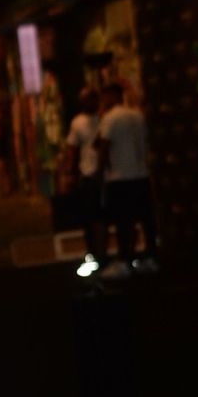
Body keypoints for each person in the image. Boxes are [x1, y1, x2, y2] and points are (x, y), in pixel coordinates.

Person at [97, 83, 158, 277]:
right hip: (140, 174)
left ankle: (125, 259)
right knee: (145, 219)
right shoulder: (137, 116)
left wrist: (101, 172)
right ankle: (150, 257)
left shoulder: (110, 118)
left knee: (123, 221)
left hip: (120, 177)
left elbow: (104, 147)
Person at [64, 86, 105, 277]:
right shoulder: (78, 122)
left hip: (105, 173)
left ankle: (102, 253)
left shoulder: (105, 118)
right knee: (90, 216)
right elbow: (72, 149)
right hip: (88, 172)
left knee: (102, 215)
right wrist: (71, 173)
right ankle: (94, 253)